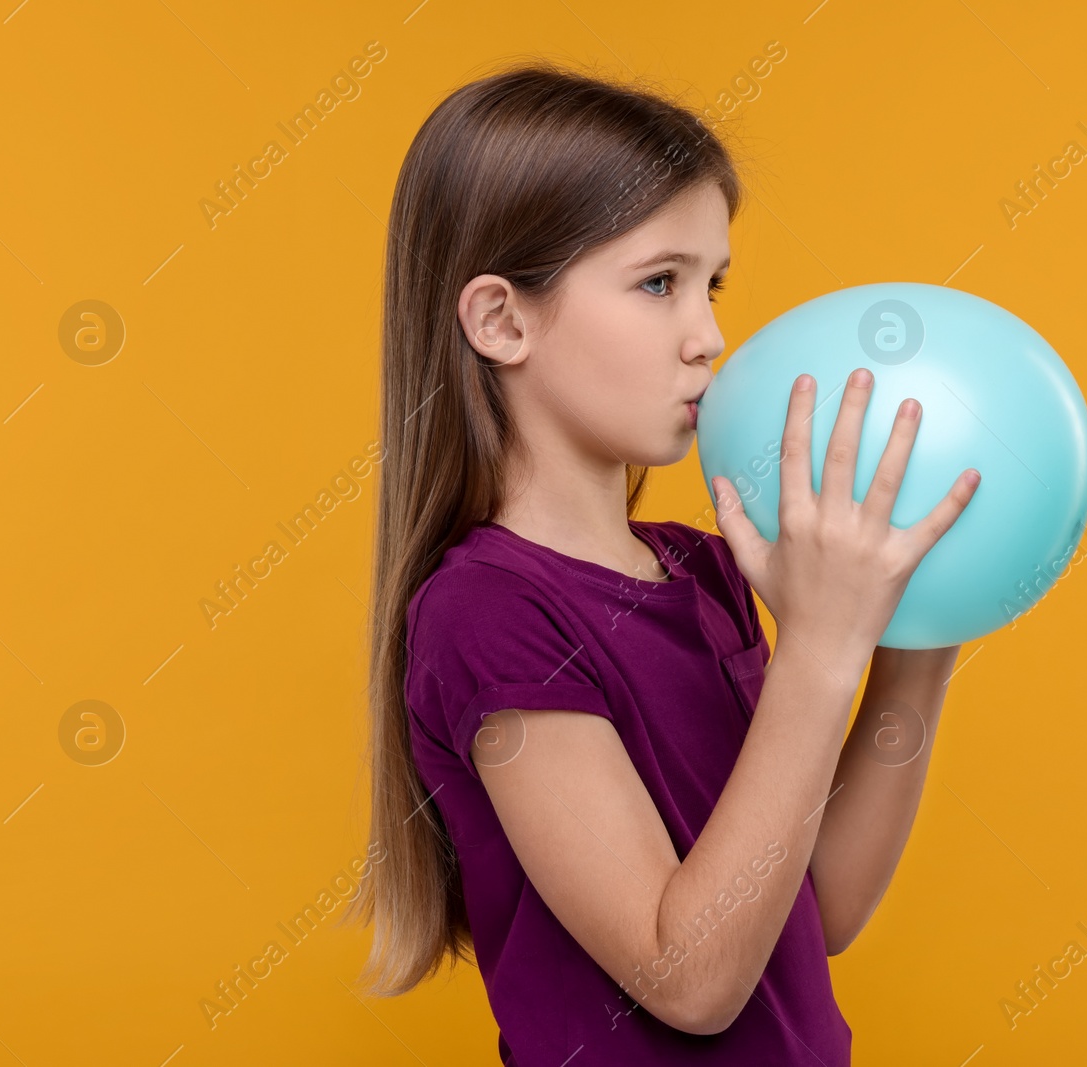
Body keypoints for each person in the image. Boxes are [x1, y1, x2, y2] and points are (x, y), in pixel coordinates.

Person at [342, 58, 981, 1065]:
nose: (710, 337)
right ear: (500, 319)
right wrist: (819, 650)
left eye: (711, 282)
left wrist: (911, 645)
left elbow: (814, 908)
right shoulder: (488, 614)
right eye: (657, 283)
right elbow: (688, 977)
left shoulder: (705, 570)